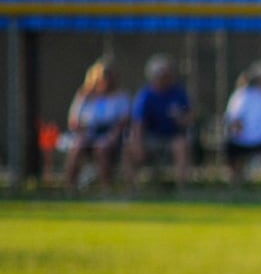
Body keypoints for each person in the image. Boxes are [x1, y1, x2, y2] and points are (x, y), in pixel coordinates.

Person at [62, 57, 131, 190]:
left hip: (110, 135)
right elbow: (74, 121)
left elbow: (124, 121)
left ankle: (106, 187)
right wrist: (83, 134)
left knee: (101, 148)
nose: (106, 81)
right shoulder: (85, 96)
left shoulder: (121, 97)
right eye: (102, 77)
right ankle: (69, 187)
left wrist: (112, 136)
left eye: (109, 77)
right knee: (77, 149)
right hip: (87, 133)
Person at [126, 53, 194, 187]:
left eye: (167, 74)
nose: (166, 78)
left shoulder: (178, 92)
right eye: (162, 75)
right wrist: (138, 144)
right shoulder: (146, 95)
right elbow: (138, 123)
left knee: (181, 145)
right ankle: (134, 188)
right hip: (151, 137)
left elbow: (190, 116)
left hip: (172, 137)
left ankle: (181, 187)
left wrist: (182, 118)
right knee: (128, 150)